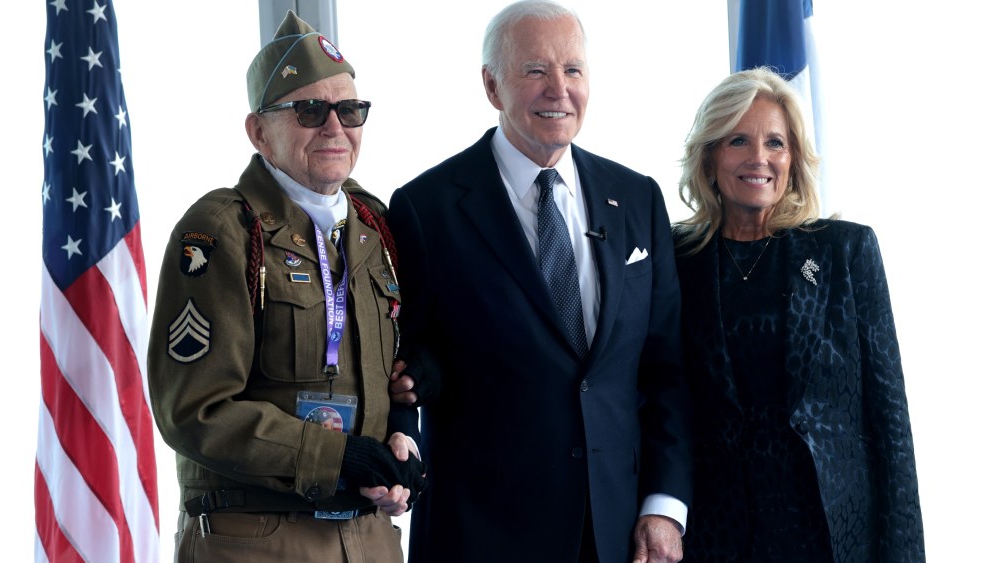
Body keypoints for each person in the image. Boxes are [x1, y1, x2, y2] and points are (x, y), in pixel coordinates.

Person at [384, 2, 692, 562]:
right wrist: (405, 431)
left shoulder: (638, 199)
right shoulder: (426, 208)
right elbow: (404, 359)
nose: (559, 89)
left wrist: (663, 505)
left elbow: (666, 368)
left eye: (573, 70)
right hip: (482, 533)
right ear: (491, 85)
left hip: (616, 534)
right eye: (535, 71)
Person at [147, 11, 425, 562]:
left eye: (349, 110)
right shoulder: (223, 230)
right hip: (254, 539)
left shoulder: (375, 226)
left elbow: (393, 365)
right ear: (258, 131)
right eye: (308, 110)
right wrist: (336, 456)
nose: (334, 127)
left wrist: (398, 435)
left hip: (368, 539)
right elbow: (193, 409)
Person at [672, 66, 925, 562]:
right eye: (738, 140)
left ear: (794, 159)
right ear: (709, 157)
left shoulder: (844, 250)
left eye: (775, 143)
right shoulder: (676, 258)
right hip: (714, 531)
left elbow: (890, 420)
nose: (758, 158)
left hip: (829, 530)